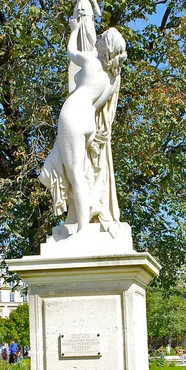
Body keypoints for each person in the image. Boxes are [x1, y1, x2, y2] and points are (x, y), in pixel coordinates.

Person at [39, 18, 127, 237]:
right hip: (88, 121)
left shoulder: (90, 61)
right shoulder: (113, 78)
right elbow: (99, 107)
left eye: (101, 37)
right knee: (75, 171)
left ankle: (82, 230)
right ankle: (92, 206)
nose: (97, 38)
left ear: (106, 45)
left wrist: (75, 30)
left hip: (73, 116)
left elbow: (70, 51)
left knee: (74, 173)